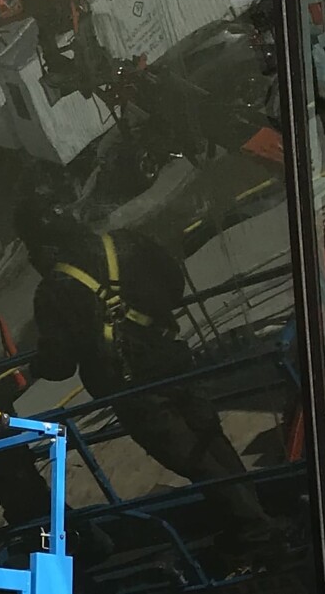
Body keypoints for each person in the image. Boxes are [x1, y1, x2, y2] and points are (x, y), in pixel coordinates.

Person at [18, 203, 270, 550]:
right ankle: (255, 513)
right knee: (211, 438)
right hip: (173, 358)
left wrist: (35, 366)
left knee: (192, 458)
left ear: (44, 246)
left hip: (134, 389)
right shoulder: (124, 243)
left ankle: (256, 529)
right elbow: (173, 281)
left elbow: (60, 365)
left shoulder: (54, 289)